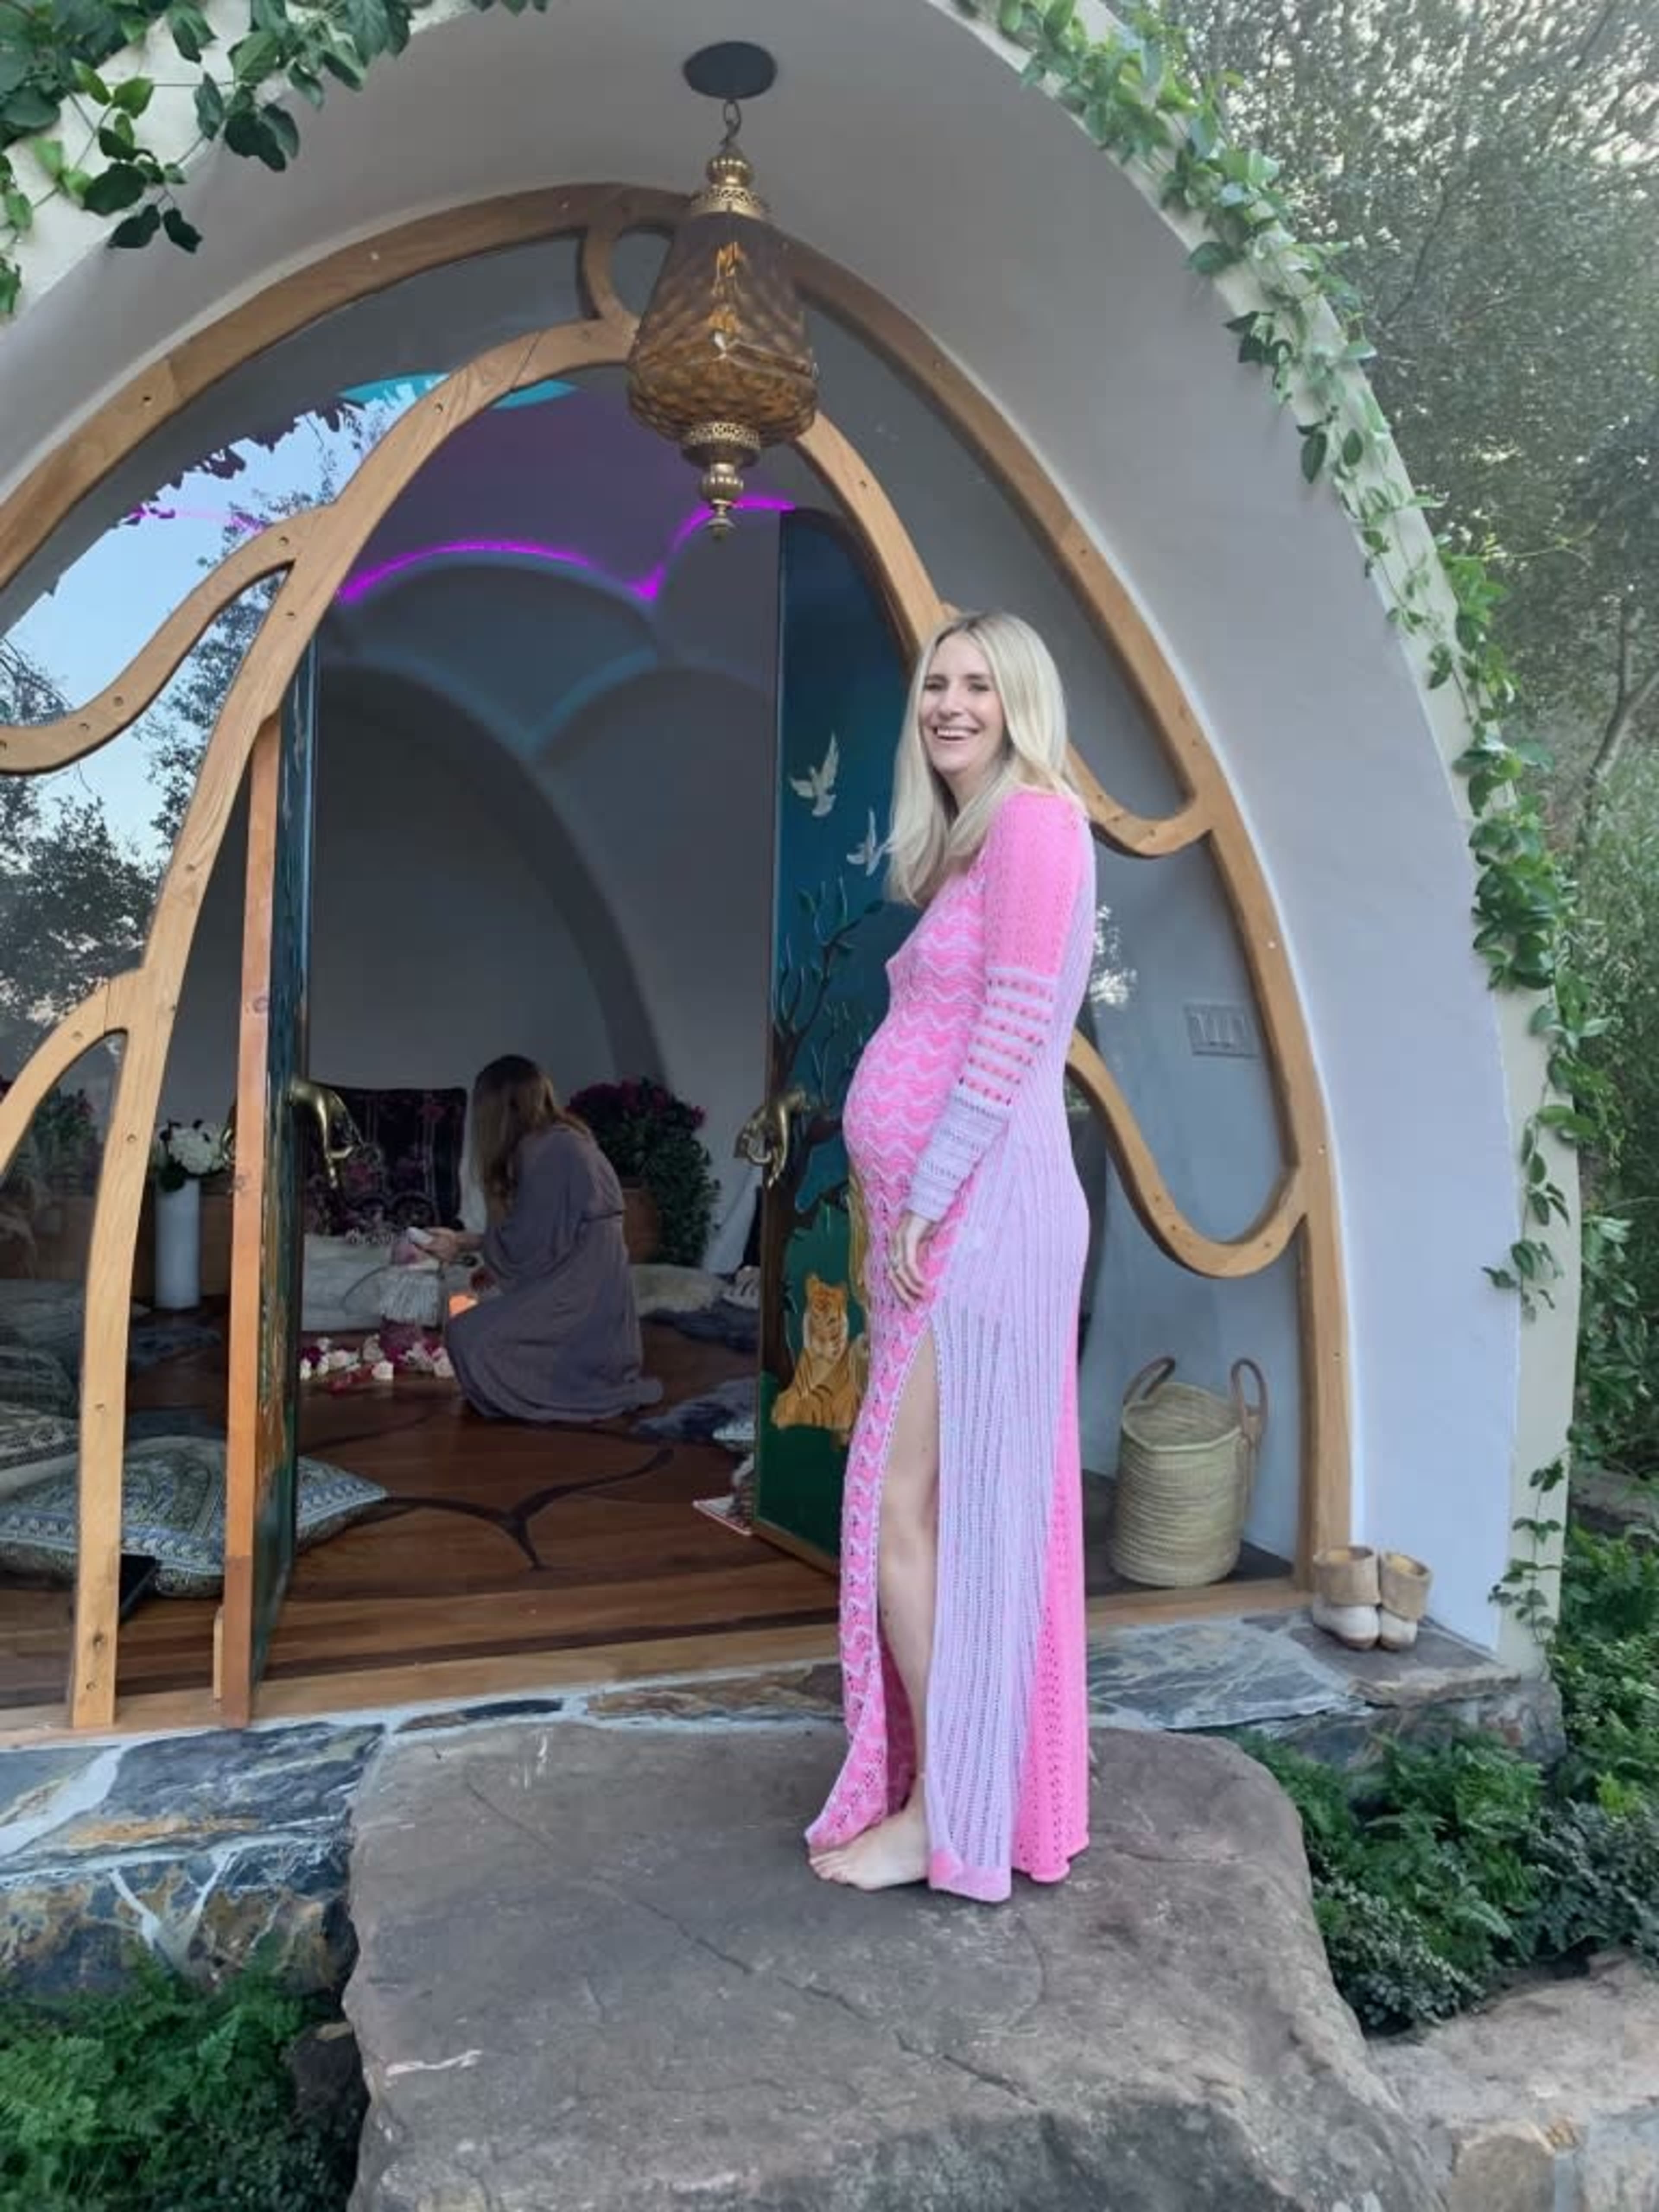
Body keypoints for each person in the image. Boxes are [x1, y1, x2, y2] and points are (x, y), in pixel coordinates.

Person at [806, 612, 1094, 1901]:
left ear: (1019, 702)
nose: (950, 704)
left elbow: (1020, 1020)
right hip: (942, 1221)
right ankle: (964, 1794)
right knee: (933, 1509)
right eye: (936, 683)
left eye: (978, 684)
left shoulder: (1035, 821)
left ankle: (943, 1812)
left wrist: (923, 1200)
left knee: (898, 1504)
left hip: (977, 1217)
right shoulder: (969, 855)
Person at [424, 1056, 662, 1423]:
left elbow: (529, 1243)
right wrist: (476, 1248)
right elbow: (539, 1233)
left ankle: (549, 1392)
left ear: (501, 1108)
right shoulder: (561, 1138)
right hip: (589, 1279)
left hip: (583, 1290)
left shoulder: (548, 1149)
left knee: (469, 1336)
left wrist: (463, 1243)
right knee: (471, 1330)